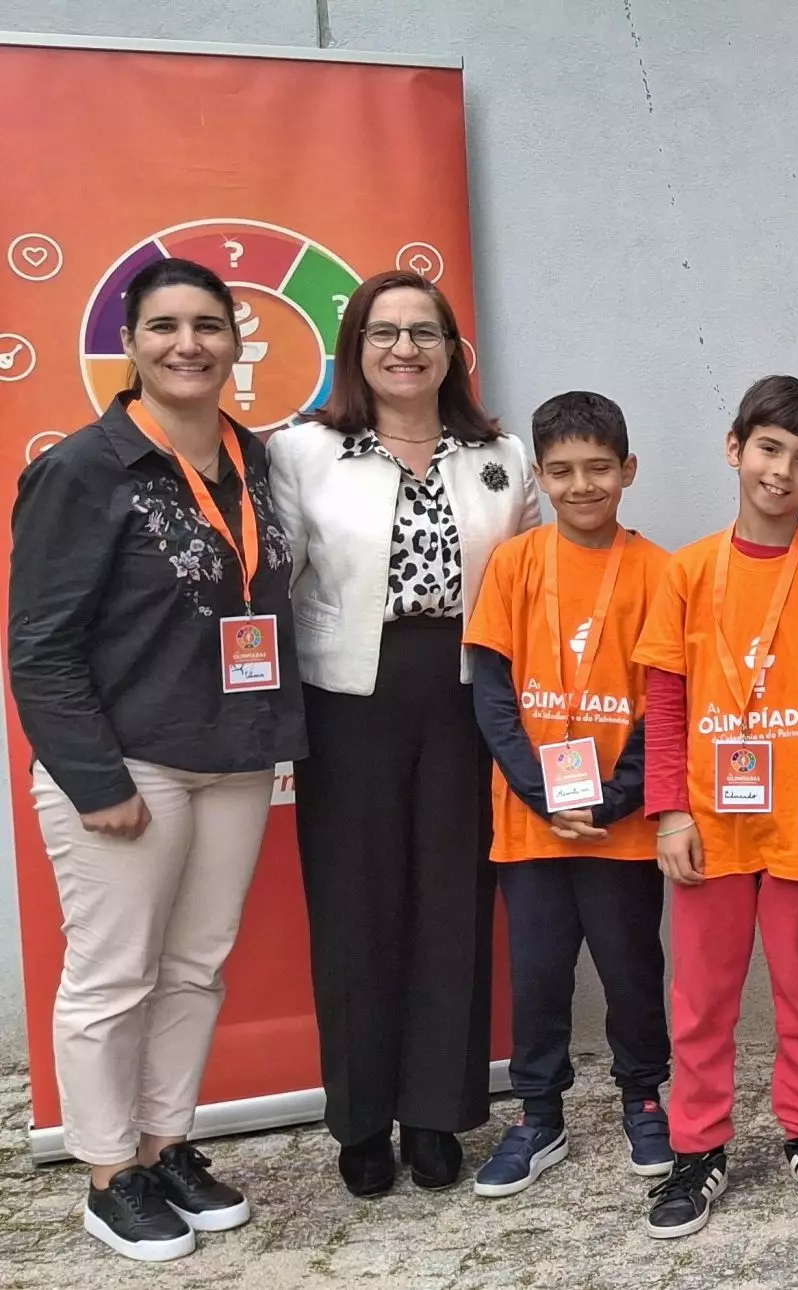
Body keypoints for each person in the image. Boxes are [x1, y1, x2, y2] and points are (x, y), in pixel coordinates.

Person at [9, 258, 303, 1261]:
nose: (189, 344)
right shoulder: (83, 469)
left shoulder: (249, 458)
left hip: (232, 755)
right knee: (112, 977)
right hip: (128, 766)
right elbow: (38, 646)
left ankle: (167, 1144)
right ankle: (107, 1176)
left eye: (209, 326)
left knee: (195, 969)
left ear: (235, 343)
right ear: (130, 345)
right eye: (165, 326)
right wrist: (95, 781)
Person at [267, 270, 540, 1196]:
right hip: (349, 694)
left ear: (451, 350)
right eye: (384, 332)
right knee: (356, 908)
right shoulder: (303, 451)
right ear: (355, 349)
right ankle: (359, 1119)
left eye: (424, 332)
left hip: (467, 691)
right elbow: (276, 584)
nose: (404, 348)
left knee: (454, 903)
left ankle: (436, 1111)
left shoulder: (498, 452)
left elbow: (533, 584)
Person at [631, 376, 798, 1237]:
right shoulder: (687, 572)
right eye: (769, 448)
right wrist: (668, 809)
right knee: (700, 999)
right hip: (706, 826)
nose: (781, 471)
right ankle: (697, 1148)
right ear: (734, 447)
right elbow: (663, 703)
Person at [461, 392, 673, 1196]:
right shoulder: (515, 564)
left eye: (598, 468)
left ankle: (644, 1099)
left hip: (620, 826)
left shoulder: (660, 571)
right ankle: (537, 1114)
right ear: (540, 478)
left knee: (630, 967)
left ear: (628, 470)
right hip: (532, 822)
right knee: (539, 972)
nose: (582, 485)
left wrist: (617, 797)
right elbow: (491, 689)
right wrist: (540, 790)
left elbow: (668, 704)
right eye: (562, 471)